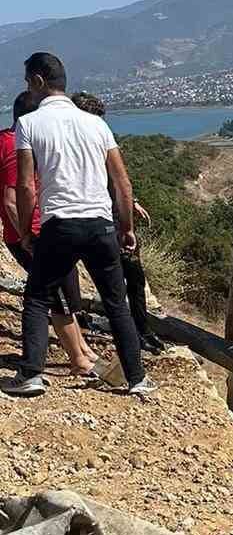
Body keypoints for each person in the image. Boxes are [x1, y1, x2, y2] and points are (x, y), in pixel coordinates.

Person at [1, 52, 149, 398]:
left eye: (28, 82)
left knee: (38, 298)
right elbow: (123, 185)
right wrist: (126, 229)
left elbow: (25, 185)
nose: (28, 89)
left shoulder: (30, 123)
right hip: (101, 226)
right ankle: (137, 378)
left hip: (60, 225)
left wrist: (25, 231)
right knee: (116, 303)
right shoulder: (96, 124)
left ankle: (32, 375)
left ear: (38, 81)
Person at [1, 91, 97, 374]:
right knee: (56, 295)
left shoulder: (13, 140)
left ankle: (83, 349)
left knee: (65, 290)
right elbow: (10, 198)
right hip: (30, 234)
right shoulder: (12, 146)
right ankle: (77, 360)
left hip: (43, 230)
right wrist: (27, 237)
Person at [71, 92, 165, 354]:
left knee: (135, 278)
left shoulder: (98, 138)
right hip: (97, 222)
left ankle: (143, 330)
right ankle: (130, 336)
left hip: (114, 218)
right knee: (115, 284)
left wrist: (130, 203)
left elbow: (118, 179)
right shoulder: (74, 146)